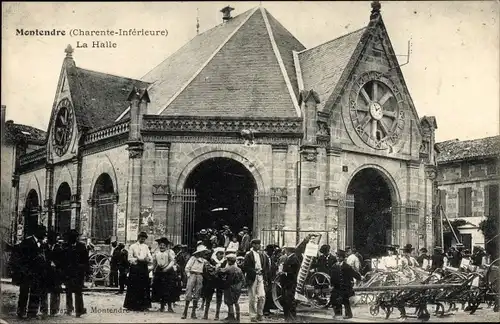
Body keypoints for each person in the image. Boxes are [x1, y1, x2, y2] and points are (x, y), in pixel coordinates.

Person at [16, 224, 47, 319]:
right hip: (27, 272)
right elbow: (22, 257)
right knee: (24, 292)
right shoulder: (27, 241)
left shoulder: (42, 244)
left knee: (35, 292)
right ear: (37, 232)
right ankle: (21, 311)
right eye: (43, 232)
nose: (44, 235)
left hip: (37, 273)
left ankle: (32, 312)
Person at [63, 229, 90, 318]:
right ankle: (69, 309)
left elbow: (86, 260)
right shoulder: (65, 246)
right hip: (69, 273)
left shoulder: (82, 246)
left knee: (78, 292)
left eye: (75, 237)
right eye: (72, 237)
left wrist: (87, 271)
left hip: (79, 273)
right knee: (68, 291)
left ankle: (79, 310)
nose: (74, 238)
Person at [123, 231, 152, 311]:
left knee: (144, 286)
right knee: (134, 286)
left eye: (144, 238)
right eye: (141, 237)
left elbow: (150, 256)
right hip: (135, 268)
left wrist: (148, 259)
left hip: (143, 268)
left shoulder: (146, 247)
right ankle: (132, 305)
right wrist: (138, 259)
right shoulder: (132, 246)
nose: (142, 239)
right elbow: (129, 258)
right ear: (138, 237)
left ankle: (144, 305)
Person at [242, 238, 270, 322]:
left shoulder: (262, 255)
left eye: (259, 244)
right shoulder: (248, 255)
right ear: (253, 245)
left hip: (260, 276)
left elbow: (266, 266)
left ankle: (260, 314)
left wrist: (264, 275)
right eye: (257, 244)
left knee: (262, 296)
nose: (258, 246)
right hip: (252, 277)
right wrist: (254, 271)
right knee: (252, 297)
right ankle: (253, 315)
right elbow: (245, 267)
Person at [330, 249, 362, 320]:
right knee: (335, 300)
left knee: (345, 301)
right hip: (337, 286)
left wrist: (359, 277)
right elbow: (332, 276)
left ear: (343, 258)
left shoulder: (347, 266)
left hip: (345, 287)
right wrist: (332, 284)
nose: (338, 258)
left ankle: (348, 314)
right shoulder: (334, 266)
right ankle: (338, 313)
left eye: (340, 257)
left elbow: (354, 274)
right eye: (337, 256)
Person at [182, 244, 209, 319]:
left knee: (197, 292)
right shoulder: (193, 258)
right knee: (189, 292)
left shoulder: (204, 261)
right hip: (192, 274)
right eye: (202, 252)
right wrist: (189, 275)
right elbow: (187, 267)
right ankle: (185, 312)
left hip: (199, 276)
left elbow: (208, 267)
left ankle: (193, 313)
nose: (203, 253)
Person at [40, 231, 64, 317]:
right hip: (46, 272)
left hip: (55, 273)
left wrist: (56, 264)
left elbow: (62, 261)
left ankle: (54, 310)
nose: (54, 240)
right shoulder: (44, 247)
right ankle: (44, 309)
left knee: (55, 291)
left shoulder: (59, 248)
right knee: (44, 291)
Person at [151, 237, 177, 312]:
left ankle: (169, 307)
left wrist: (167, 268)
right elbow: (154, 263)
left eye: (163, 245)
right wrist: (151, 269)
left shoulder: (169, 252)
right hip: (160, 271)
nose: (162, 246)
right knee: (160, 289)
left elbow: (172, 262)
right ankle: (162, 306)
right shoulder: (156, 253)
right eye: (160, 245)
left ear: (166, 246)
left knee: (169, 289)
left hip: (168, 272)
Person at [218, 253, 245, 322]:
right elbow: (243, 280)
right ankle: (238, 318)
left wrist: (217, 267)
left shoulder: (229, 268)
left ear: (229, 261)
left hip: (230, 287)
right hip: (238, 288)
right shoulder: (239, 269)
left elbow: (220, 271)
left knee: (229, 303)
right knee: (236, 302)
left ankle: (231, 317)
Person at [202, 247, 226, 320]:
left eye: (222, 254)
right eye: (219, 254)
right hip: (211, 281)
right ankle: (206, 314)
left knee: (219, 298)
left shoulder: (225, 262)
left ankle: (217, 314)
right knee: (208, 297)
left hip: (220, 281)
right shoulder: (211, 261)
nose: (221, 255)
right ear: (216, 254)